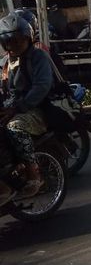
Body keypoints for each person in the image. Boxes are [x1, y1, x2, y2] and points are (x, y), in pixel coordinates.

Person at [0, 13, 54, 198]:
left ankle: (33, 172)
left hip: (35, 109)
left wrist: (18, 107)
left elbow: (42, 86)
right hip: (13, 107)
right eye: (8, 42)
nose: (12, 46)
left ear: (27, 38)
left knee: (14, 128)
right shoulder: (7, 62)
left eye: (17, 41)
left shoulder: (37, 57)